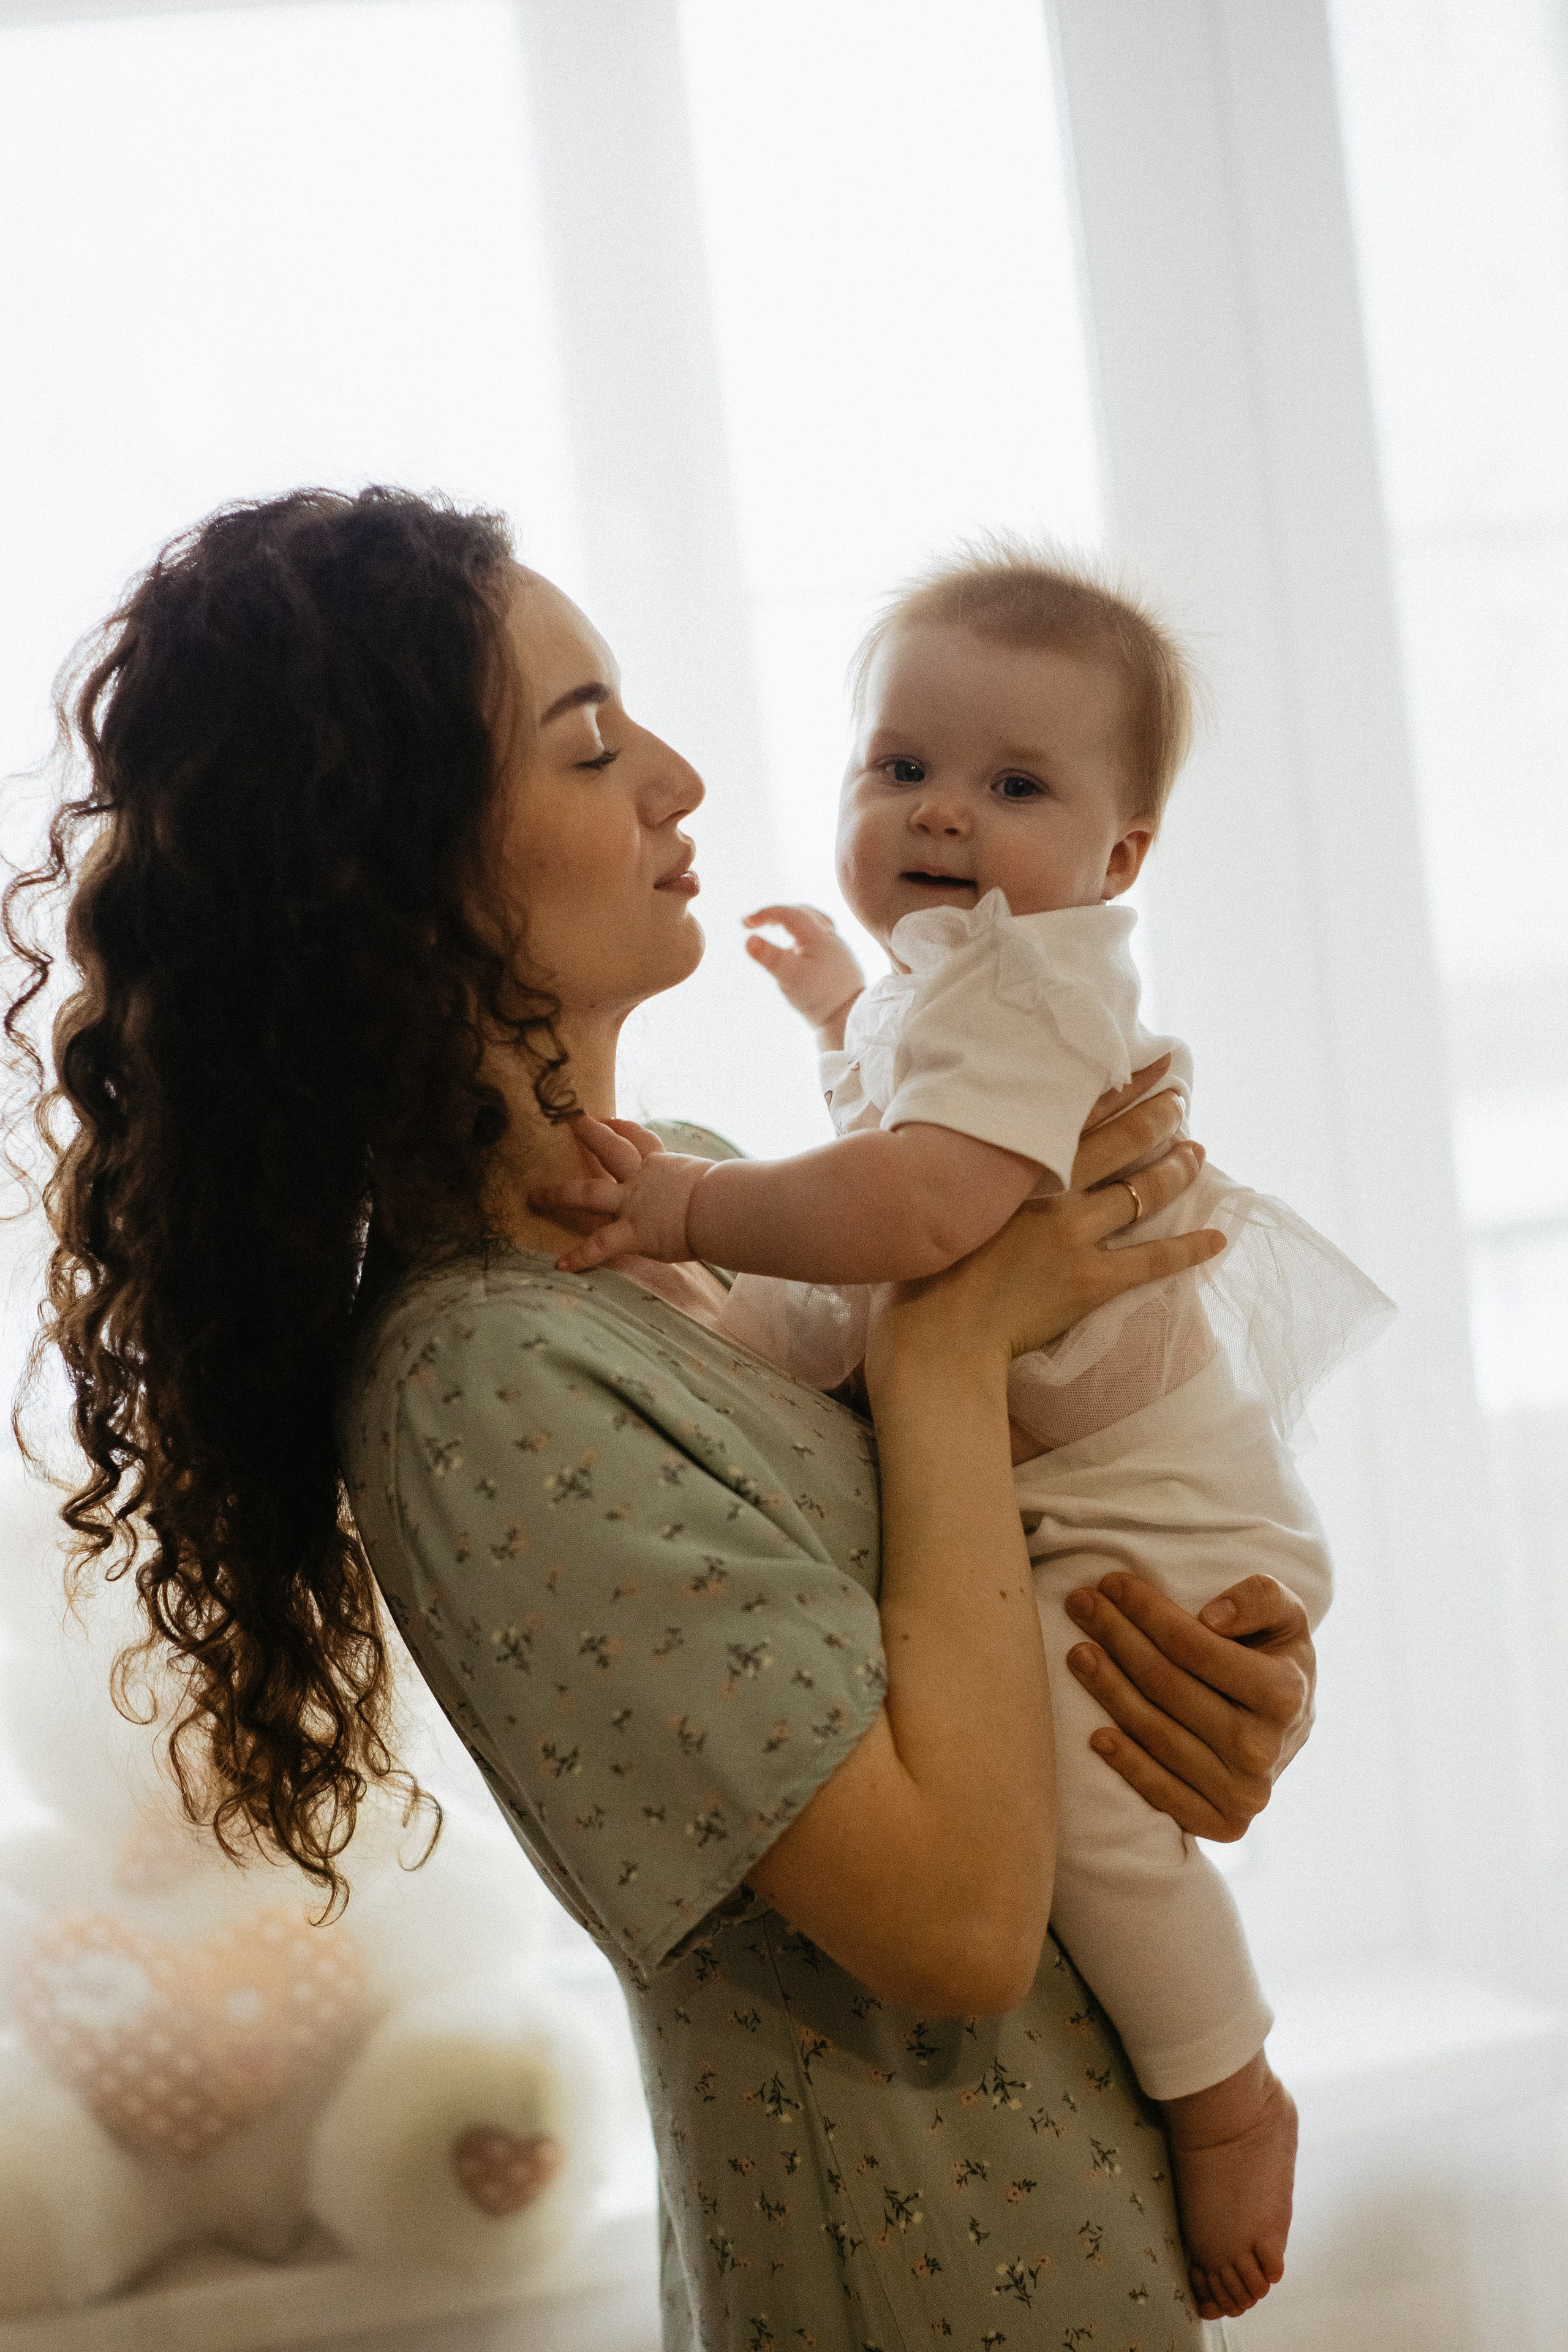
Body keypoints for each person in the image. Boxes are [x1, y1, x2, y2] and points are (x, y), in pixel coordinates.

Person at [5, 489, 1319, 2349]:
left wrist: (1198, 1680)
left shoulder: (713, 1197)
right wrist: (951, 1351)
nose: (684, 778)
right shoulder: (481, 1383)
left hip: (1082, 2219)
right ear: (402, 871)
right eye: (594, 743)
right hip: (915, 2277)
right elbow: (950, 1932)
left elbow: (1001, 1628)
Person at [529, 539, 1392, 2320]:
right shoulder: (961, 983)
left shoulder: (1038, 975)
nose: (939, 815)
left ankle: (1227, 2086)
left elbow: (925, 1218)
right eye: (900, 766)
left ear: (1118, 858)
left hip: (1141, 1494)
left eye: (1012, 785)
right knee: (816, 1322)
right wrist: (845, 1017)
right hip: (1056, 1464)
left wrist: (689, 1210)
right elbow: (926, 1173)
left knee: (1096, 1795)